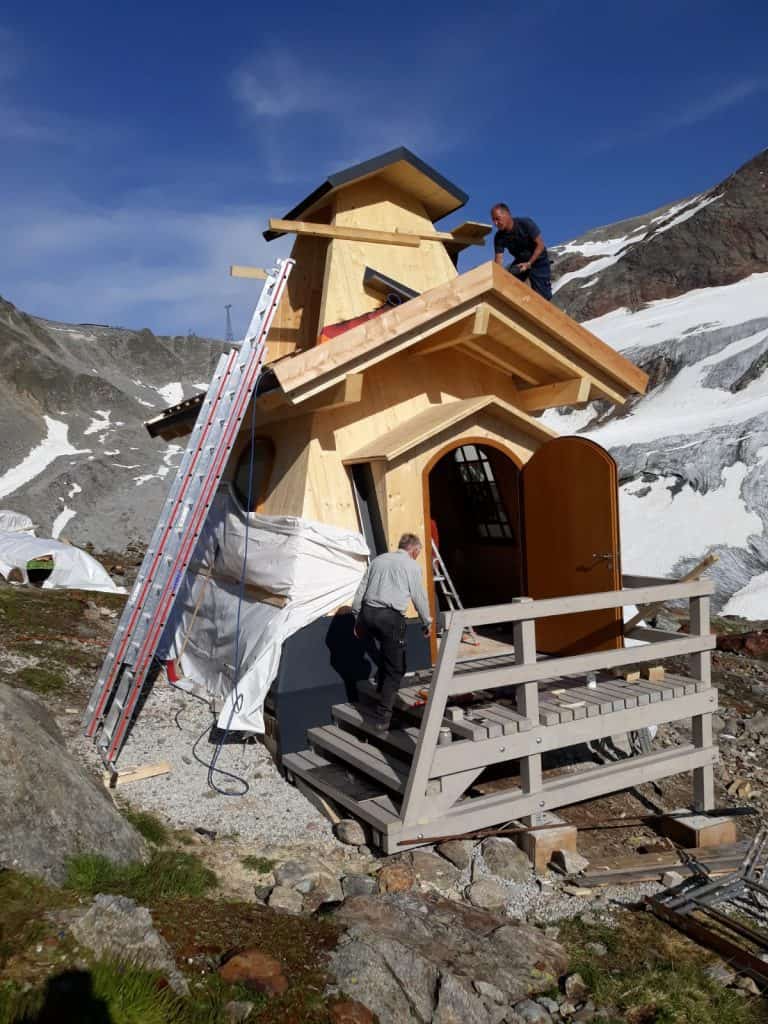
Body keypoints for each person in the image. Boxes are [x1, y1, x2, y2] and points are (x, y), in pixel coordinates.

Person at [351, 533, 432, 732]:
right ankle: (383, 718)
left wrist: (358, 618)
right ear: (413, 550)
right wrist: (426, 621)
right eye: (418, 553)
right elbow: (419, 596)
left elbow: (361, 589)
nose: (417, 556)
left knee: (391, 660)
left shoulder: (378, 560)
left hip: (368, 614)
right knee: (396, 669)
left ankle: (381, 686)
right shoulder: (411, 566)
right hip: (390, 619)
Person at [491, 203, 552, 301]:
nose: (495, 223)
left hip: (538, 261)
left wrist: (529, 264)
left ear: (507, 214)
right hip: (521, 261)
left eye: (497, 219)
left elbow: (540, 245)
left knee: (543, 298)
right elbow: (498, 261)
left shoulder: (525, 224)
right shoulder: (499, 237)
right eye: (493, 220)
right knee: (508, 283)